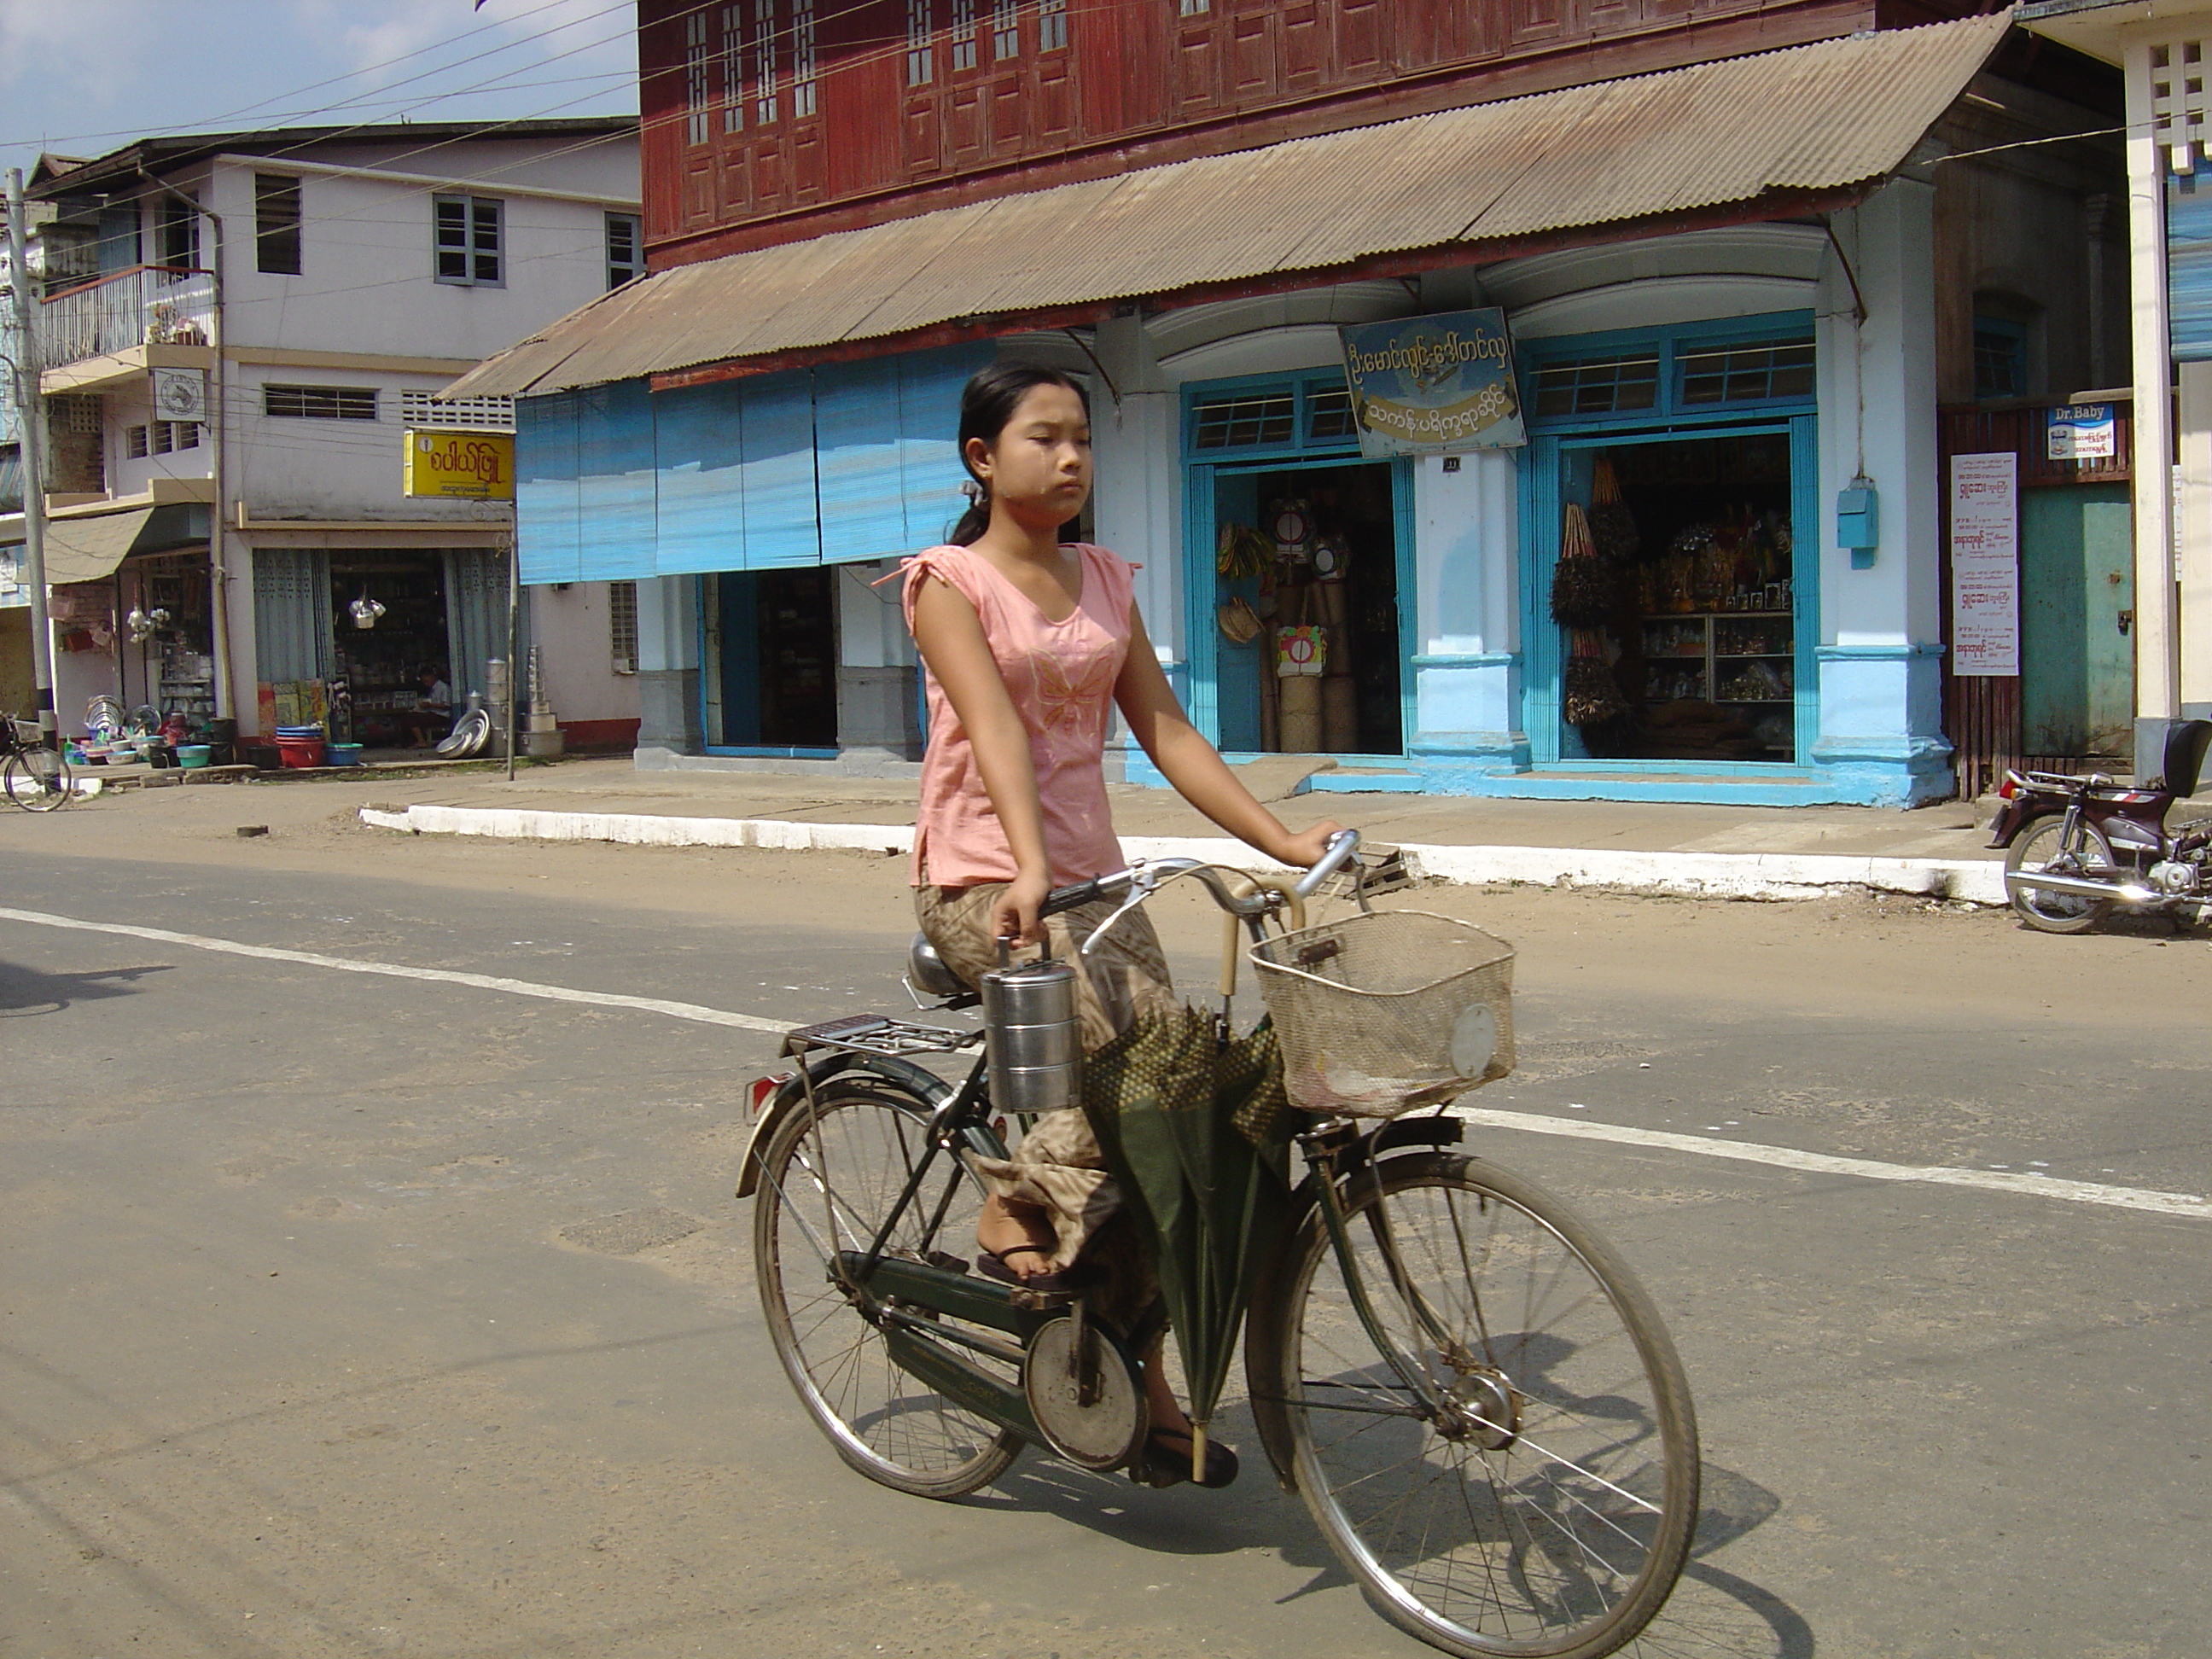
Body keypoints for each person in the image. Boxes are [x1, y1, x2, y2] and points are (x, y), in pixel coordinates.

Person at [902, 362, 1342, 1487]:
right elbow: (994, 730)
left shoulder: (1101, 578)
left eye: (1083, 439)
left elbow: (1168, 731)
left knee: (1182, 1119)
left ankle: (1135, 1384)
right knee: (1108, 1112)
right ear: (982, 459)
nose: (1070, 457)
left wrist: (1279, 842)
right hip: (985, 888)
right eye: (1043, 437)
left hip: (1093, 887)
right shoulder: (948, 583)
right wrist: (1032, 865)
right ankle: (1015, 1216)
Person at [402, 666, 453, 750]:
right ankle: (408, 742)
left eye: (426, 681)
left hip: (441, 716)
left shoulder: (443, 688)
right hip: (432, 713)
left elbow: (446, 705)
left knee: (411, 718)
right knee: (407, 716)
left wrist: (430, 705)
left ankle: (421, 741)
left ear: (432, 676)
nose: (425, 683)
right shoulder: (432, 689)